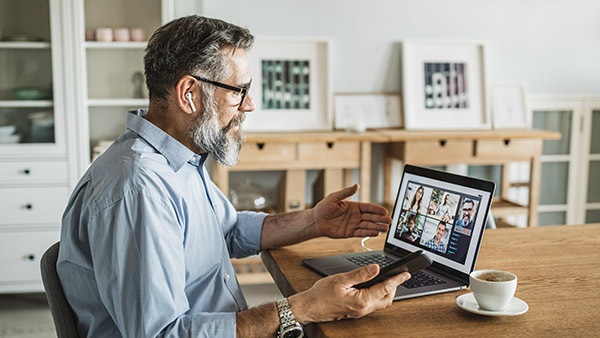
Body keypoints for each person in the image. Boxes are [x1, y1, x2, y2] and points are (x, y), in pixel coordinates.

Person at [56, 15, 411, 338]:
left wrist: (313, 222)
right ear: (189, 94)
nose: (249, 104)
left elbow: (225, 230)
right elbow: (162, 335)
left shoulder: (178, 159)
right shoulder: (138, 188)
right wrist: (303, 308)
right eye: (237, 90)